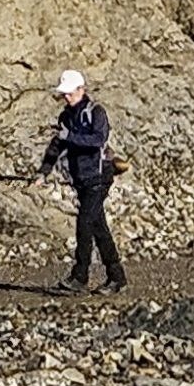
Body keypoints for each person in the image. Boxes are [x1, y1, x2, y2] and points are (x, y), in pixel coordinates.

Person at [36, 67, 128, 293]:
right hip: (81, 178)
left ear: (81, 89)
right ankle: (116, 277)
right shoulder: (66, 117)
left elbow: (98, 140)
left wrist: (71, 137)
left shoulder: (96, 112)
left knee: (84, 224)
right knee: (98, 226)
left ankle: (80, 277)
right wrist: (44, 171)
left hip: (99, 176)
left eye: (70, 93)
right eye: (64, 93)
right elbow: (57, 145)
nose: (66, 97)